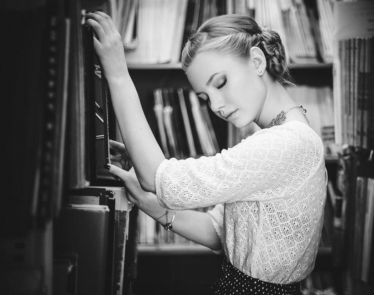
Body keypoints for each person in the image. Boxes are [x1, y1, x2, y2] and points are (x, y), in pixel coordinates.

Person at [86, 12, 327, 295]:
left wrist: (117, 74)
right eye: (205, 98)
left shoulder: (288, 143)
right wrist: (144, 199)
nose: (216, 106)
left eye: (221, 83)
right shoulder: (282, 136)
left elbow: (156, 177)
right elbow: (217, 233)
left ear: (257, 61)